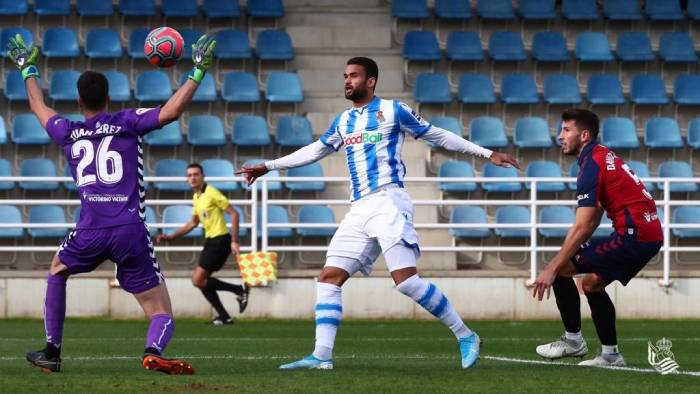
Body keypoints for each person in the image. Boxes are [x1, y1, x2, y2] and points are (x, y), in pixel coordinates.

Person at [237, 57, 520, 370]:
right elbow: (316, 150)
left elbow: (437, 134)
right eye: (345, 75)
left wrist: (487, 153)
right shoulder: (344, 121)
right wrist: (268, 166)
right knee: (329, 278)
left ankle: (466, 335)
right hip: (359, 209)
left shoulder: (393, 110)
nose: (347, 81)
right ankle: (321, 355)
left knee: (406, 282)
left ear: (370, 81)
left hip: (388, 203)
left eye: (354, 76)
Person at [8, 33, 217, 374]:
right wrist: (197, 70)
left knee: (58, 268)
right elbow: (172, 111)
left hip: (90, 229)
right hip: (130, 231)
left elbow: (37, 106)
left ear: (79, 102)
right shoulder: (127, 122)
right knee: (161, 312)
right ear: (109, 98)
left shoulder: (68, 131)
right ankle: (153, 350)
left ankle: (52, 350)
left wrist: (27, 68)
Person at [532, 108, 663, 367]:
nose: (560, 136)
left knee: (560, 271)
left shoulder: (592, 163)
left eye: (566, 130)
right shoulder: (602, 156)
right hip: (647, 234)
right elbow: (593, 218)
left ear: (584, 135)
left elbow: (583, 225)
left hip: (633, 235)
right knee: (591, 284)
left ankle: (573, 341)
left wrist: (552, 267)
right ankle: (611, 355)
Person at [156, 163, 250, 325]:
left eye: (196, 174)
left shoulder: (211, 192)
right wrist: (171, 236)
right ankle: (224, 316)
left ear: (203, 176)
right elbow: (193, 223)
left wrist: (235, 240)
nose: (192, 177)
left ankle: (240, 290)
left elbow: (234, 214)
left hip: (220, 240)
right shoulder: (197, 196)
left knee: (197, 280)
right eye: (189, 175)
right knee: (202, 282)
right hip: (211, 241)